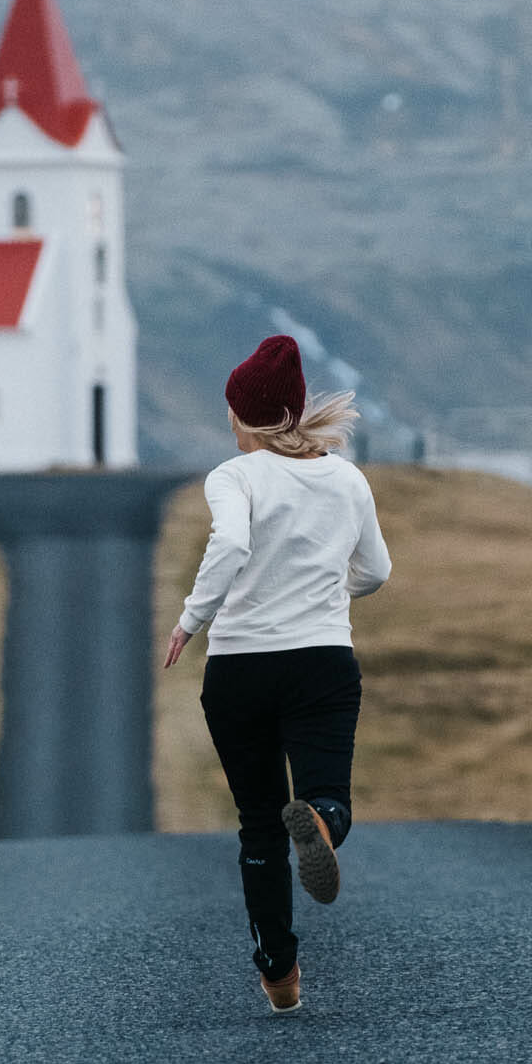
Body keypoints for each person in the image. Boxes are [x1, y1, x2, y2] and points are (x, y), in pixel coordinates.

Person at [163, 334, 392, 1014]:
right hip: (320, 660)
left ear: (244, 417)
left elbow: (231, 543)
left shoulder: (231, 477)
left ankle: (278, 971)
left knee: (258, 826)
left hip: (239, 670)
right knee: (324, 796)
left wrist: (189, 619)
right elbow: (376, 571)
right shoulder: (348, 478)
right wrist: (319, 593)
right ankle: (320, 823)